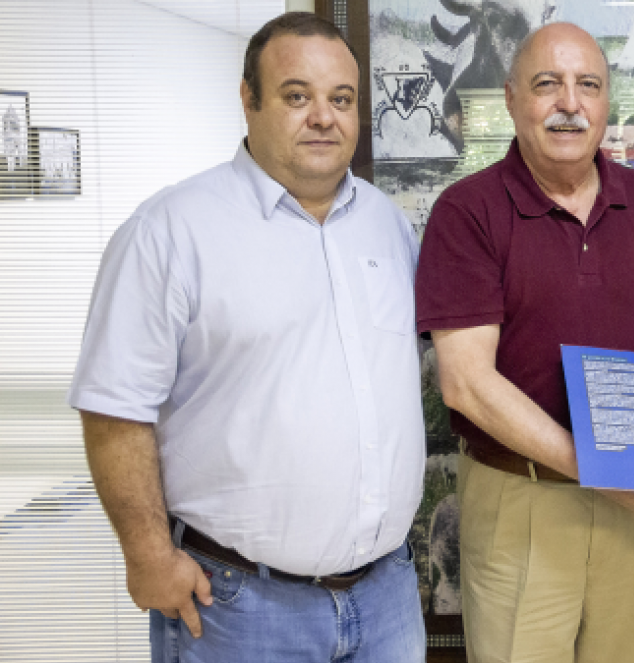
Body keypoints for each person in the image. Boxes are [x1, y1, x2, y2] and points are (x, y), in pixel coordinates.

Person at [67, 12, 426, 662]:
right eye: (297, 96)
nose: (324, 116)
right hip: (238, 610)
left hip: (387, 599)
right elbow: (113, 406)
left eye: (341, 99)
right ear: (248, 100)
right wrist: (148, 554)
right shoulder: (170, 232)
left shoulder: (386, 225)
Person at [415, 22, 634, 663]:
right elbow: (465, 383)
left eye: (588, 85)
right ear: (510, 97)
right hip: (522, 502)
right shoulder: (467, 212)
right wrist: (601, 473)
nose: (569, 104)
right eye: (547, 85)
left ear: (606, 101)